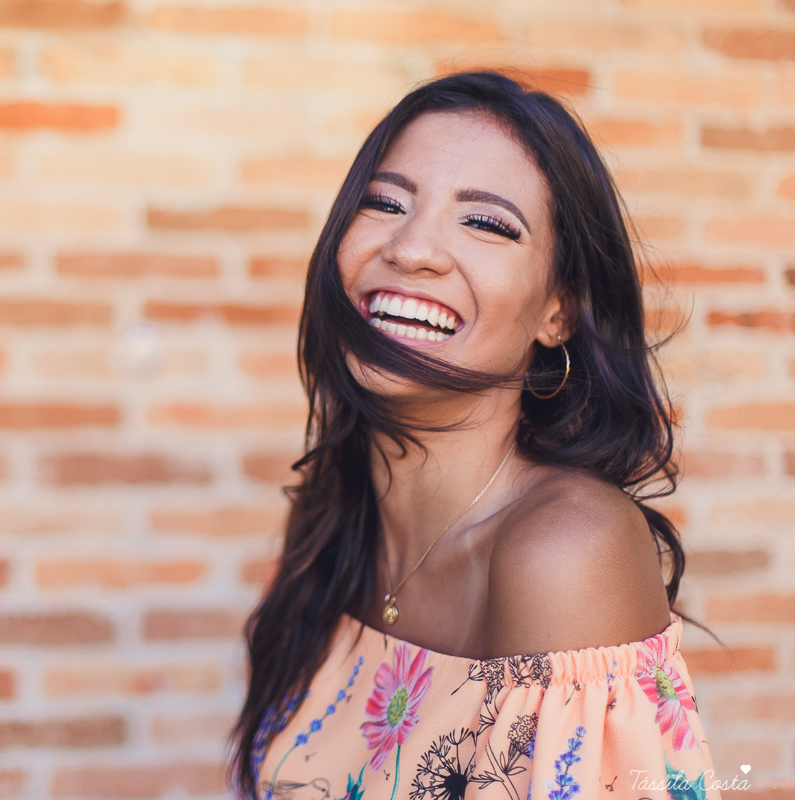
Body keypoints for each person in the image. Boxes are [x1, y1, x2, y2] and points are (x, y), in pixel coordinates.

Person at [231, 72, 723, 800]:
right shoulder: (328, 517)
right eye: (384, 202)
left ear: (558, 312)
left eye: (487, 223)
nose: (411, 247)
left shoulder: (564, 550)